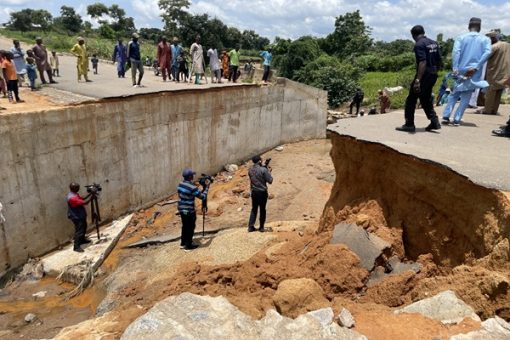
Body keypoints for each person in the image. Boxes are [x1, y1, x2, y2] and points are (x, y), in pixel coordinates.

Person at [441, 18, 492, 126]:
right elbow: (488, 52)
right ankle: (457, 119)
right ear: (480, 27)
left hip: (460, 70)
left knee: (454, 94)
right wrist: (476, 66)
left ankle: (446, 116)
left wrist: (455, 68)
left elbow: (456, 52)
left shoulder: (461, 37)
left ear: (469, 26)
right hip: (474, 72)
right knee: (466, 96)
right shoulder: (485, 40)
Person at [396, 25, 442, 132]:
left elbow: (422, 62)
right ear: (423, 32)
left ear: (413, 35)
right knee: (425, 98)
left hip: (424, 75)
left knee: (411, 99)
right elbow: (439, 59)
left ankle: (409, 124)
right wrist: (435, 72)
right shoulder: (434, 43)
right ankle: (434, 121)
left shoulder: (419, 44)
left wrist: (418, 80)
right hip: (433, 74)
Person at [478, 31, 510, 115]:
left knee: (490, 92)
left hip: (494, 73)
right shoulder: (508, 45)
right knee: (499, 92)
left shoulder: (494, 47)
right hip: (506, 73)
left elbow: (483, 58)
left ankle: (487, 110)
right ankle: (494, 110)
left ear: (493, 38)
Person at [177, 168, 209, 251]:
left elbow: (189, 192)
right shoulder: (192, 187)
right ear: (190, 176)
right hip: (189, 210)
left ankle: (183, 242)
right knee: (190, 227)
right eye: (192, 175)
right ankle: (188, 245)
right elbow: (202, 197)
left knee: (185, 226)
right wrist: (207, 187)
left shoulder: (180, 184)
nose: (193, 177)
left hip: (181, 208)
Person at [248, 155, 273, 232]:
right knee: (262, 209)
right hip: (262, 193)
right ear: (259, 161)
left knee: (254, 209)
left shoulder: (250, 170)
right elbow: (270, 180)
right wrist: (268, 171)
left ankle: (250, 227)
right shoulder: (263, 170)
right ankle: (261, 227)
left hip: (254, 192)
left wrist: (265, 167)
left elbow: (257, 173)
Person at [66, 182, 93, 252]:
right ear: (73, 188)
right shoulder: (72, 198)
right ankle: (76, 246)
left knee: (84, 227)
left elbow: (82, 198)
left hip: (80, 215)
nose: (78, 188)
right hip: (76, 216)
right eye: (77, 187)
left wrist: (90, 193)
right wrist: (92, 197)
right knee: (79, 231)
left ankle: (82, 240)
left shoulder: (74, 193)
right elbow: (85, 202)